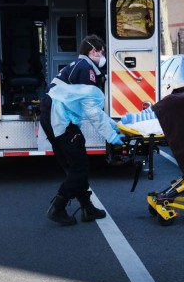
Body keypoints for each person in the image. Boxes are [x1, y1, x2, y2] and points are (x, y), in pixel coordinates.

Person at [40, 34, 124, 226]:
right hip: (60, 120)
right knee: (79, 166)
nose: (103, 57)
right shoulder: (87, 70)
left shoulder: (78, 66)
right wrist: (111, 136)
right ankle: (58, 208)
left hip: (54, 116)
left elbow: (93, 108)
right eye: (101, 52)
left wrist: (113, 125)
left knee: (73, 165)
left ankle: (87, 208)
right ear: (93, 51)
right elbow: (92, 111)